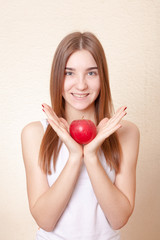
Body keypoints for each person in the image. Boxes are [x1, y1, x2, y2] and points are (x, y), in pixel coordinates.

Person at [21, 32, 140, 240]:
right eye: (69, 73)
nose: (81, 84)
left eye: (91, 73)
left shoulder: (125, 132)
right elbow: (45, 221)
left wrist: (92, 156)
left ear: (102, 77)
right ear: (57, 76)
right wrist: (75, 157)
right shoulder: (35, 134)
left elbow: (119, 219)